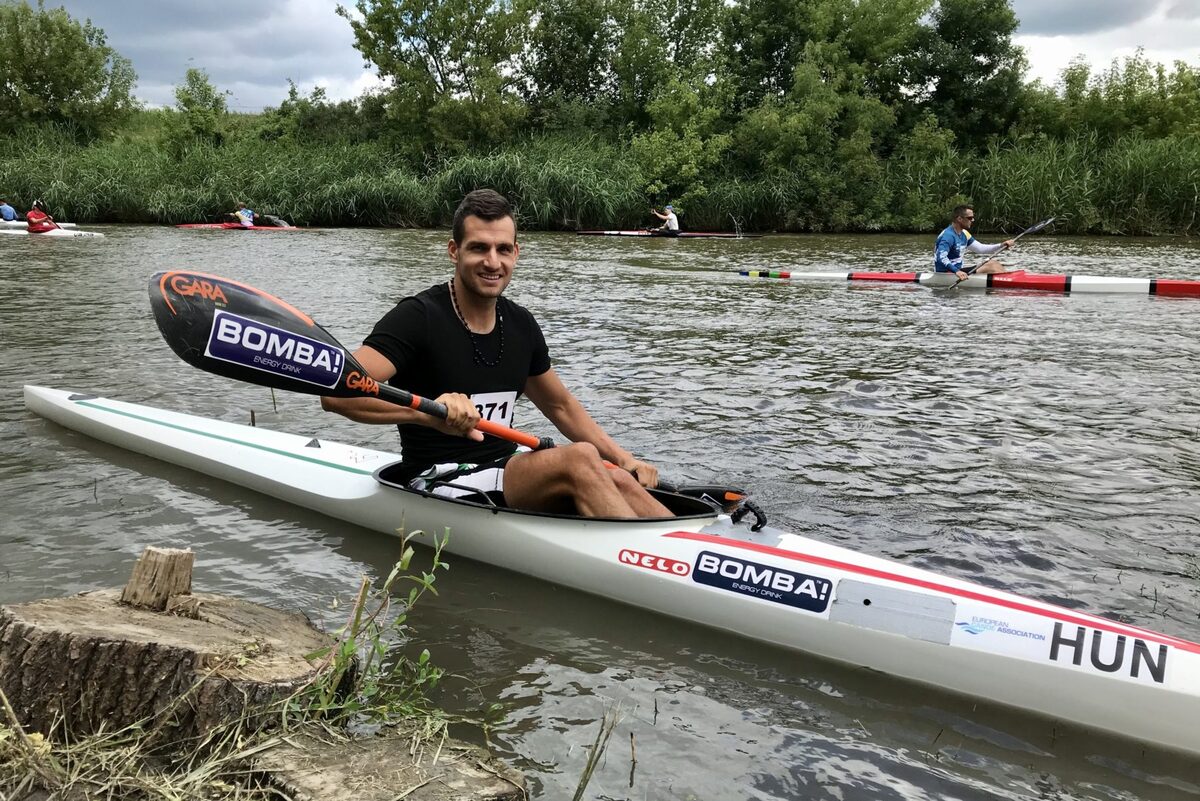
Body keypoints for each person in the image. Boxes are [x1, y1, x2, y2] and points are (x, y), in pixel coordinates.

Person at [321, 189, 671, 519]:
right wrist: (427, 416)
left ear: (516, 253)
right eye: (478, 248)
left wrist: (627, 461)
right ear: (454, 251)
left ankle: (694, 548)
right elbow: (338, 393)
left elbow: (561, 406)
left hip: (504, 467)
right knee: (580, 458)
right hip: (436, 479)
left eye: (503, 249)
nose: (492, 262)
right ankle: (653, 566)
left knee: (619, 478)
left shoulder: (520, 323)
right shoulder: (419, 317)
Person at [934, 205, 1014, 279]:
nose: (973, 220)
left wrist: (1001, 245)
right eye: (970, 218)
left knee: (994, 263)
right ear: (959, 219)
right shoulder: (948, 236)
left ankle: (1009, 280)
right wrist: (957, 271)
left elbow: (981, 248)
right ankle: (1008, 284)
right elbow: (941, 257)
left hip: (958, 271)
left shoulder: (964, 234)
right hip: (946, 273)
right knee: (991, 267)